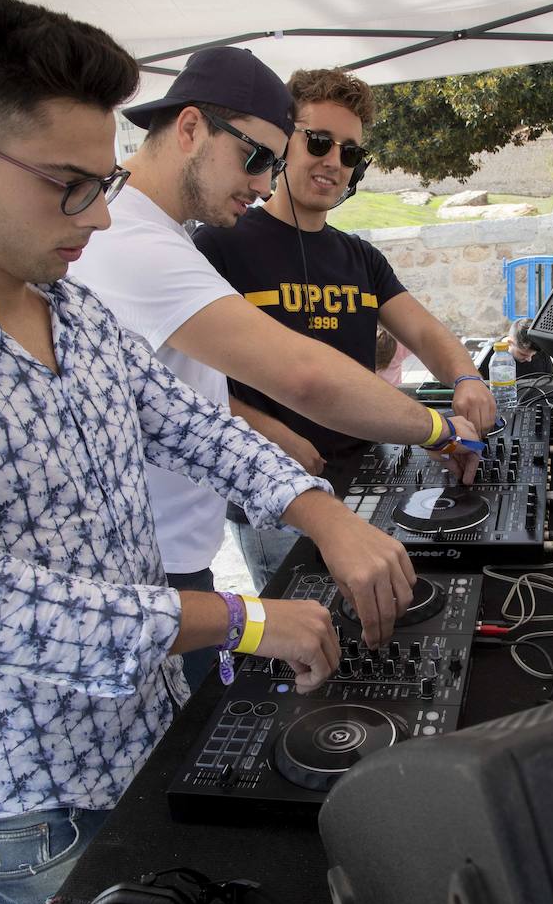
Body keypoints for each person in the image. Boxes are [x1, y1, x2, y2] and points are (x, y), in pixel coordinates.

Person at [0, 2, 410, 904]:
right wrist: (244, 619)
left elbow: (194, 427)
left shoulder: (72, 310)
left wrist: (322, 511)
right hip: (36, 807)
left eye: (102, 179)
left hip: (149, 734)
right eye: (67, 184)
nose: (102, 219)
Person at [188, 66, 495, 592]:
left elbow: (424, 333)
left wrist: (466, 379)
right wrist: (270, 432)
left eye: (350, 152)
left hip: (363, 478)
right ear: (284, 143)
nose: (334, 161)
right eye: (320, 142)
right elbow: (189, 384)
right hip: (275, 497)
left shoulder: (361, 258)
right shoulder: (221, 245)